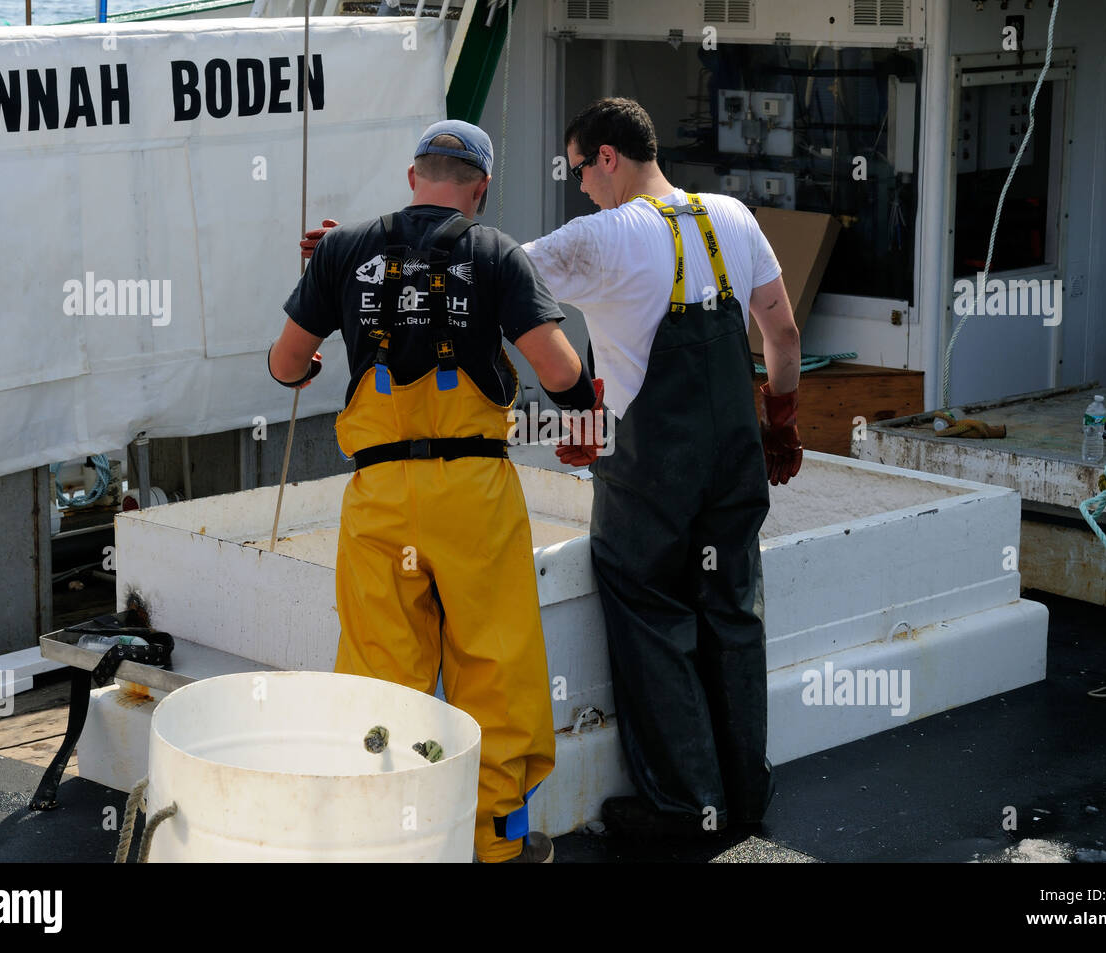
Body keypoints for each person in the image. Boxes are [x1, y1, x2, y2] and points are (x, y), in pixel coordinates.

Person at [269, 119, 599, 863]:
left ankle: (381, 841)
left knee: (379, 677)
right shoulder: (497, 252)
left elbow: (286, 363)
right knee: (494, 667)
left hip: (379, 497)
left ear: (413, 176)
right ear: (477, 189)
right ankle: (496, 843)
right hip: (473, 494)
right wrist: (585, 404)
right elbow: (557, 369)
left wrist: (326, 334)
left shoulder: (342, 251)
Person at [519, 97, 804, 837]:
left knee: (651, 614)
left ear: (607, 157)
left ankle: (685, 809)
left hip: (652, 466)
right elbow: (782, 331)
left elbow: (500, 283)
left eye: (581, 169)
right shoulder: (733, 217)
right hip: (734, 457)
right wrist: (782, 423)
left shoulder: (603, 235)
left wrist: (577, 402)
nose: (580, 185)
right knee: (733, 612)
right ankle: (743, 795)